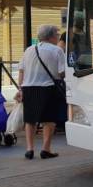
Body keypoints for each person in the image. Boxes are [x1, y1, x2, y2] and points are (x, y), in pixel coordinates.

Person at [15, 25, 66, 160]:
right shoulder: (57, 51)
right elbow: (62, 73)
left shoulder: (29, 50)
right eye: (57, 35)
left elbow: (21, 71)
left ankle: (29, 149)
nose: (58, 37)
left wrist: (20, 89)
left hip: (29, 88)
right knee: (49, 120)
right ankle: (45, 149)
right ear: (51, 37)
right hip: (48, 88)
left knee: (30, 120)